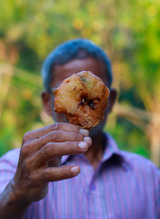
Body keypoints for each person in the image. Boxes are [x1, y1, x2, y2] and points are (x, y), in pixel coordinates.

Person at [0, 39, 159, 219]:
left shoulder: (149, 175)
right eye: (66, 89)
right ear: (47, 102)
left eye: (93, 100)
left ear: (110, 101)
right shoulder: (16, 167)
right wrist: (15, 191)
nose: (79, 109)